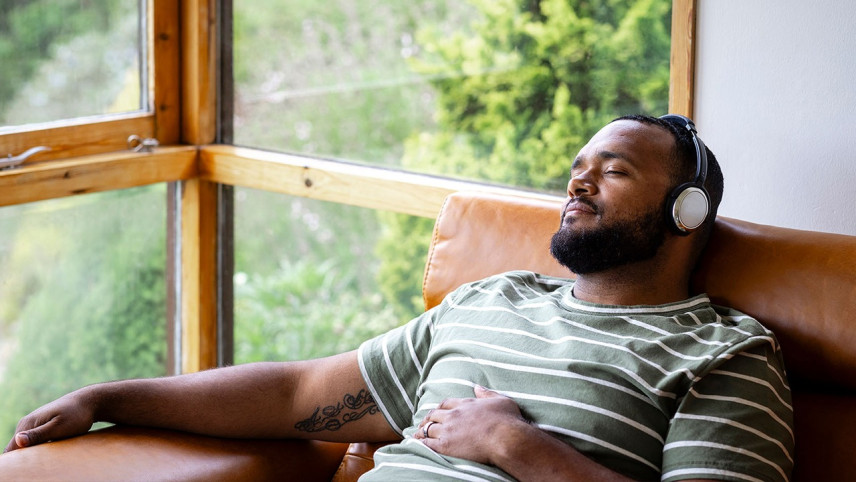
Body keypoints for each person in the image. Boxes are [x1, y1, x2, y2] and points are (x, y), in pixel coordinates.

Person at [3, 115, 794, 482]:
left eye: (613, 169)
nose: (576, 180)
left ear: (686, 213)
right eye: (577, 164)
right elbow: (295, 396)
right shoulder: (494, 299)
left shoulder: (726, 353)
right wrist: (106, 397)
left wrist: (516, 447)